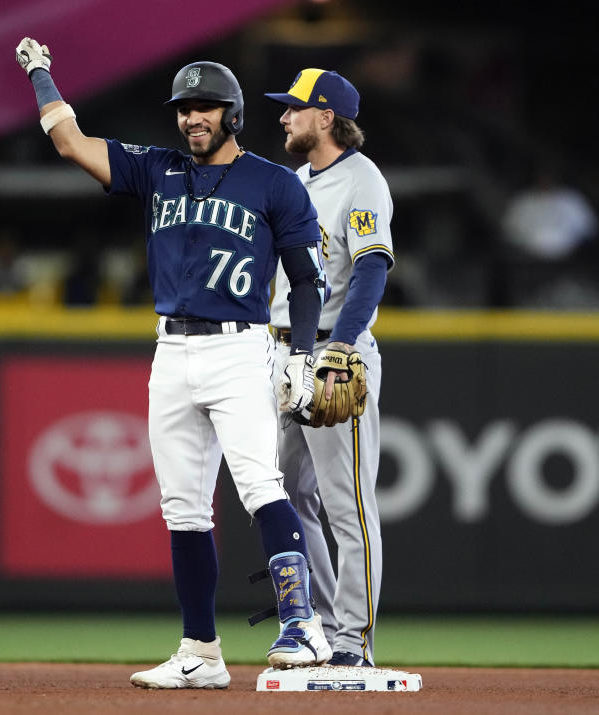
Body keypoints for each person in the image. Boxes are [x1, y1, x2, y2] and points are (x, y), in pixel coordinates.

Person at [15, 38, 332, 688]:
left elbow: (305, 281)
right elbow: (72, 142)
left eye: (206, 108)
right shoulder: (155, 168)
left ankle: (303, 626)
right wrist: (42, 73)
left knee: (258, 485)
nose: (192, 118)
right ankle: (201, 651)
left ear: (233, 114)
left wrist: (302, 353)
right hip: (171, 349)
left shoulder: (273, 182)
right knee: (184, 508)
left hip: (241, 347)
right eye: (185, 108)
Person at [265, 69, 393, 667]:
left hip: (334, 350)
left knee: (350, 504)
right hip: (286, 352)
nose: (284, 117)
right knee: (286, 493)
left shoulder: (362, 181)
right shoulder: (293, 181)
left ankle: (353, 642)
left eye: (294, 108)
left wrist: (341, 349)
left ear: (325, 117)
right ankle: (313, 624)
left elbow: (370, 267)